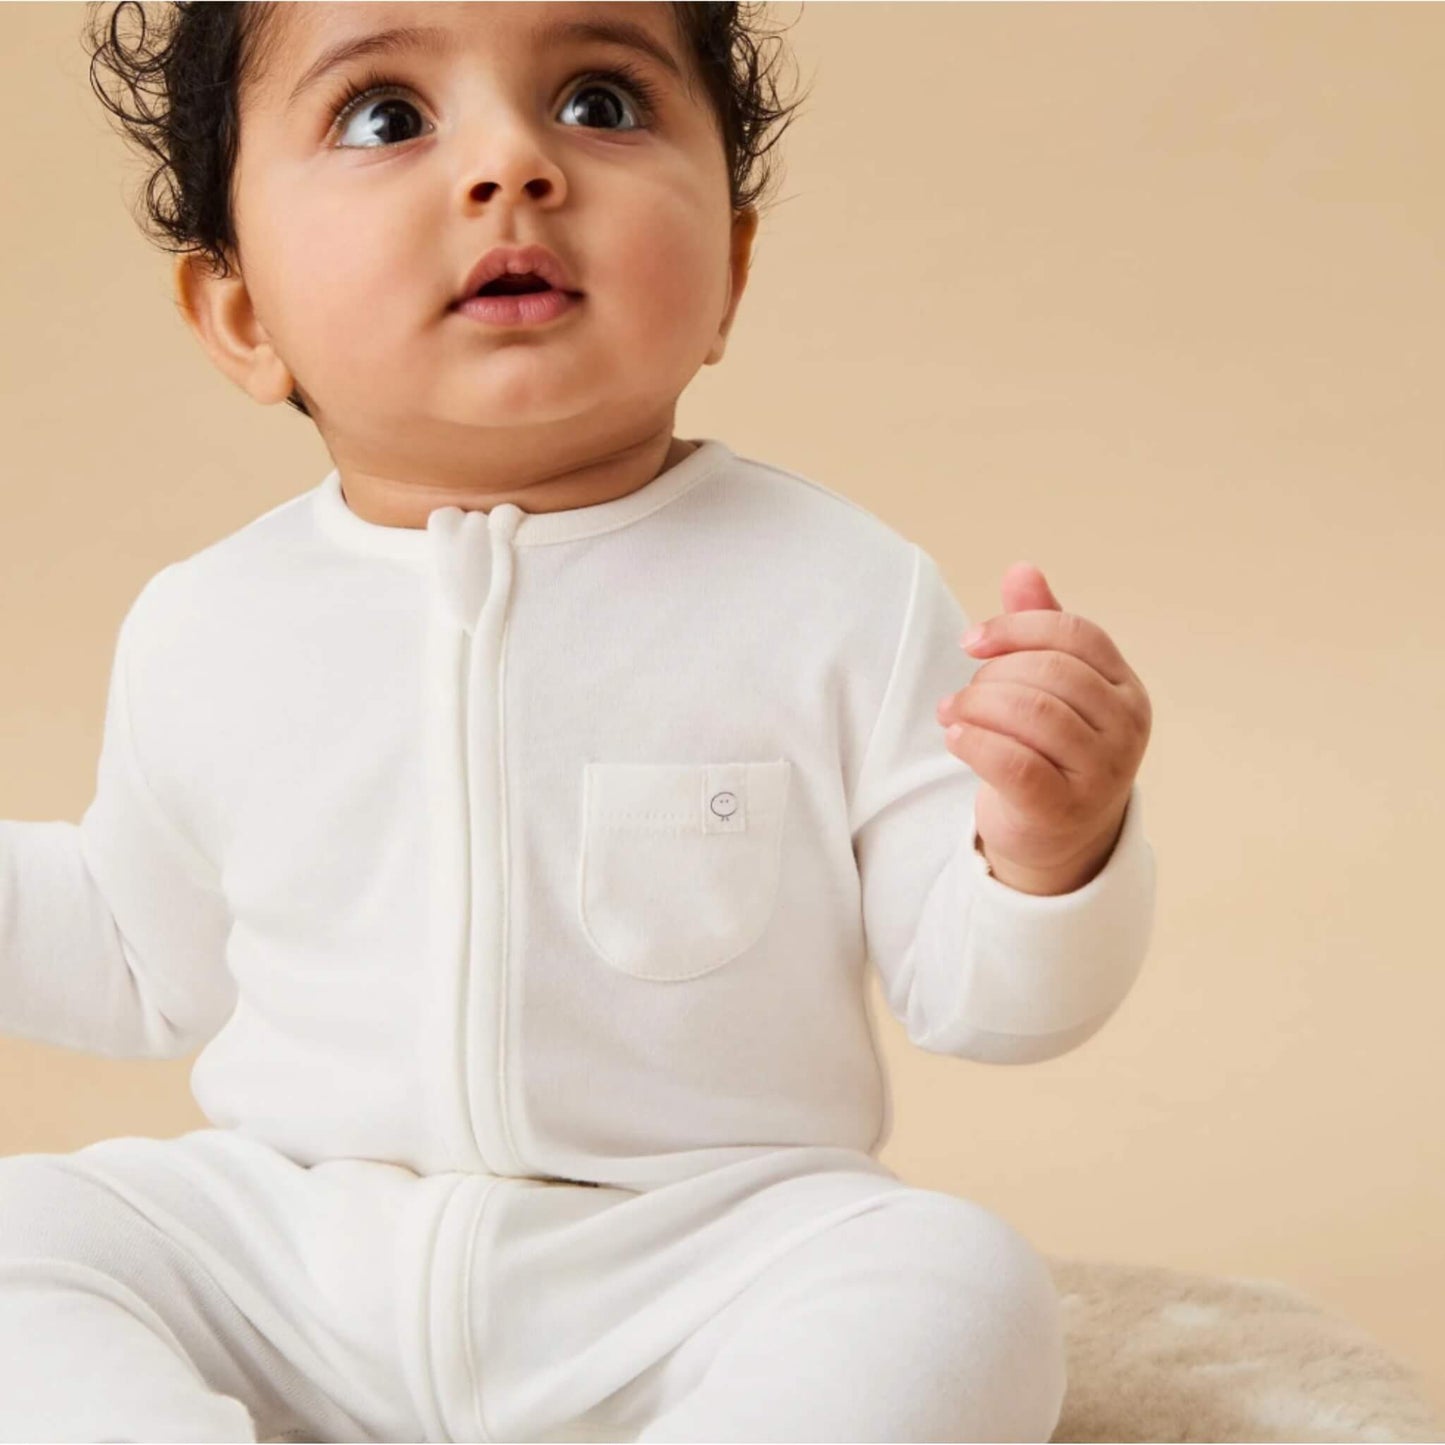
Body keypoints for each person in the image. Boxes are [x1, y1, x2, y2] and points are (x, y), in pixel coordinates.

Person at [0, 3, 1158, 1440]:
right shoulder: (207, 622)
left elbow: (983, 994)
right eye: (385, 116)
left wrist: (1050, 841)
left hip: (705, 1258)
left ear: (729, 272)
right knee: (21, 1231)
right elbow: (134, 953)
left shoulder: (833, 590)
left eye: (600, 103)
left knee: (954, 1282)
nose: (509, 164)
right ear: (243, 317)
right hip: (299, 1256)